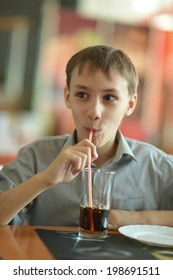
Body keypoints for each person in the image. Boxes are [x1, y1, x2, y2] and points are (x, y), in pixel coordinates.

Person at [0, 45, 173, 228]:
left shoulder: (158, 166)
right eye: (82, 95)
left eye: (110, 98)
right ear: (68, 97)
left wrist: (131, 219)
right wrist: (44, 180)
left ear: (130, 104)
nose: (94, 112)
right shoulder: (35, 156)